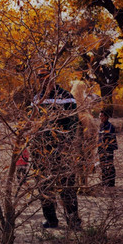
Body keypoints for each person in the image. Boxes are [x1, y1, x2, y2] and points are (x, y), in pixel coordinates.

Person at [31, 66, 82, 230]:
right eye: (40, 77)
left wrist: (65, 144)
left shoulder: (67, 97)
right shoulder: (37, 98)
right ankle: (51, 220)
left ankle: (73, 221)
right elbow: (33, 123)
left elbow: (73, 123)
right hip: (41, 151)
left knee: (67, 186)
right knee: (44, 186)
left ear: (52, 77)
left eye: (45, 77)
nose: (42, 80)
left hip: (63, 150)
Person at [97, 110, 118, 187]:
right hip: (101, 149)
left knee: (109, 164)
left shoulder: (110, 126)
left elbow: (107, 136)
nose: (100, 118)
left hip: (109, 148)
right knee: (102, 165)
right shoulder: (101, 125)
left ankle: (111, 183)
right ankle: (104, 181)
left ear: (106, 117)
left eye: (102, 116)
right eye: (100, 116)